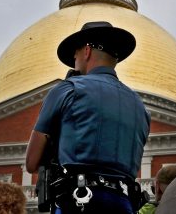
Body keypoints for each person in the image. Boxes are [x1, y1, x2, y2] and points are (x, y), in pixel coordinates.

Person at [26, 21, 151, 214]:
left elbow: (32, 162)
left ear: (86, 51)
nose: (74, 60)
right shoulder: (140, 106)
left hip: (77, 201)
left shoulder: (68, 89)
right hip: (124, 205)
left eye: (74, 55)